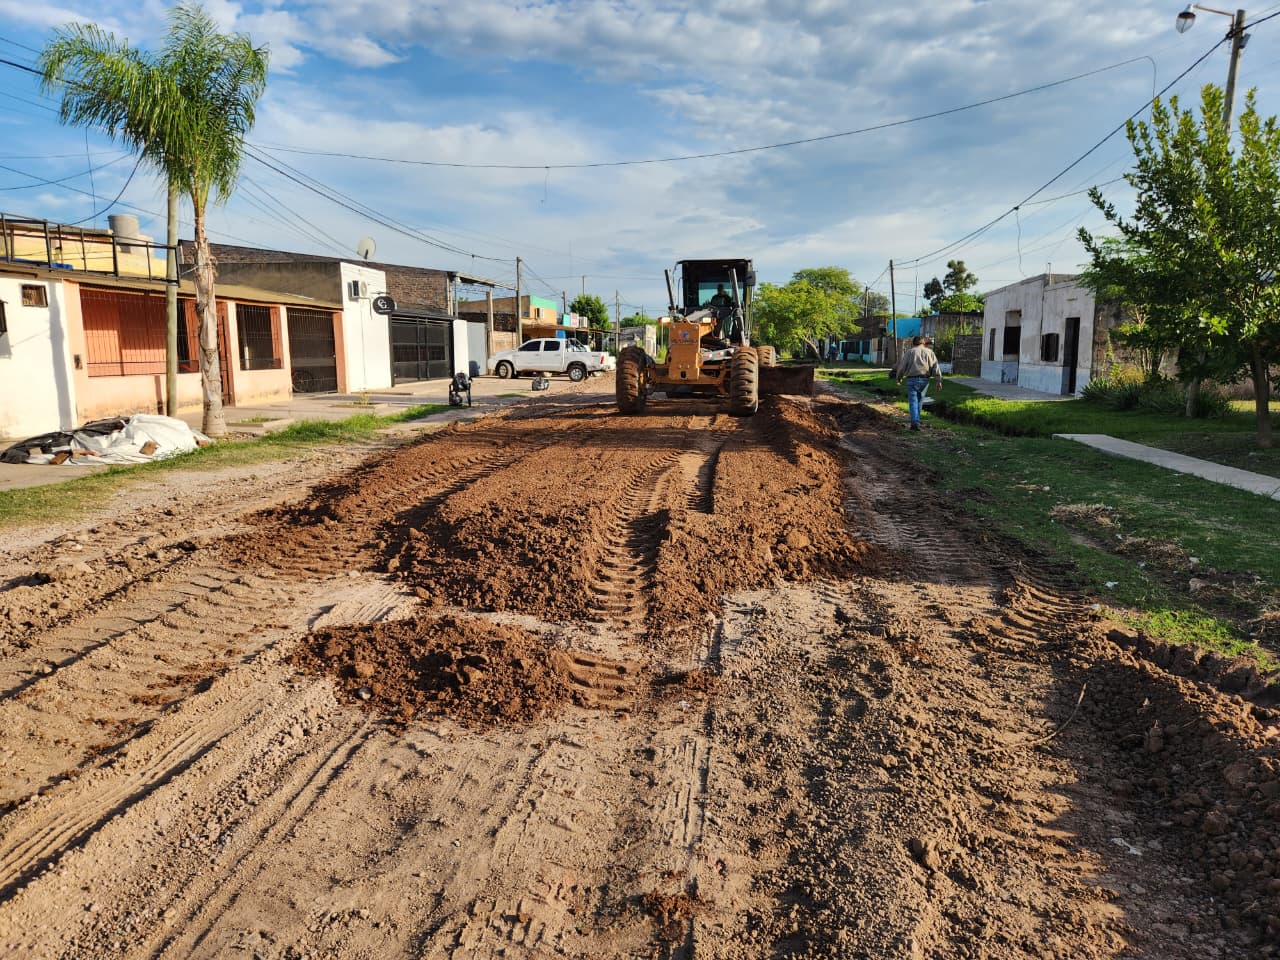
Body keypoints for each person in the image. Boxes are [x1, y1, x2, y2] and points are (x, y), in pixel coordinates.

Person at [895, 335, 942, 431]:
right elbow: (936, 367)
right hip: (925, 380)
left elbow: (902, 367)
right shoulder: (930, 352)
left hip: (912, 380)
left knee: (913, 401)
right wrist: (938, 381)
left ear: (913, 343)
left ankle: (914, 423)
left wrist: (899, 378)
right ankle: (916, 422)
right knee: (920, 401)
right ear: (923, 343)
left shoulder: (910, 352)